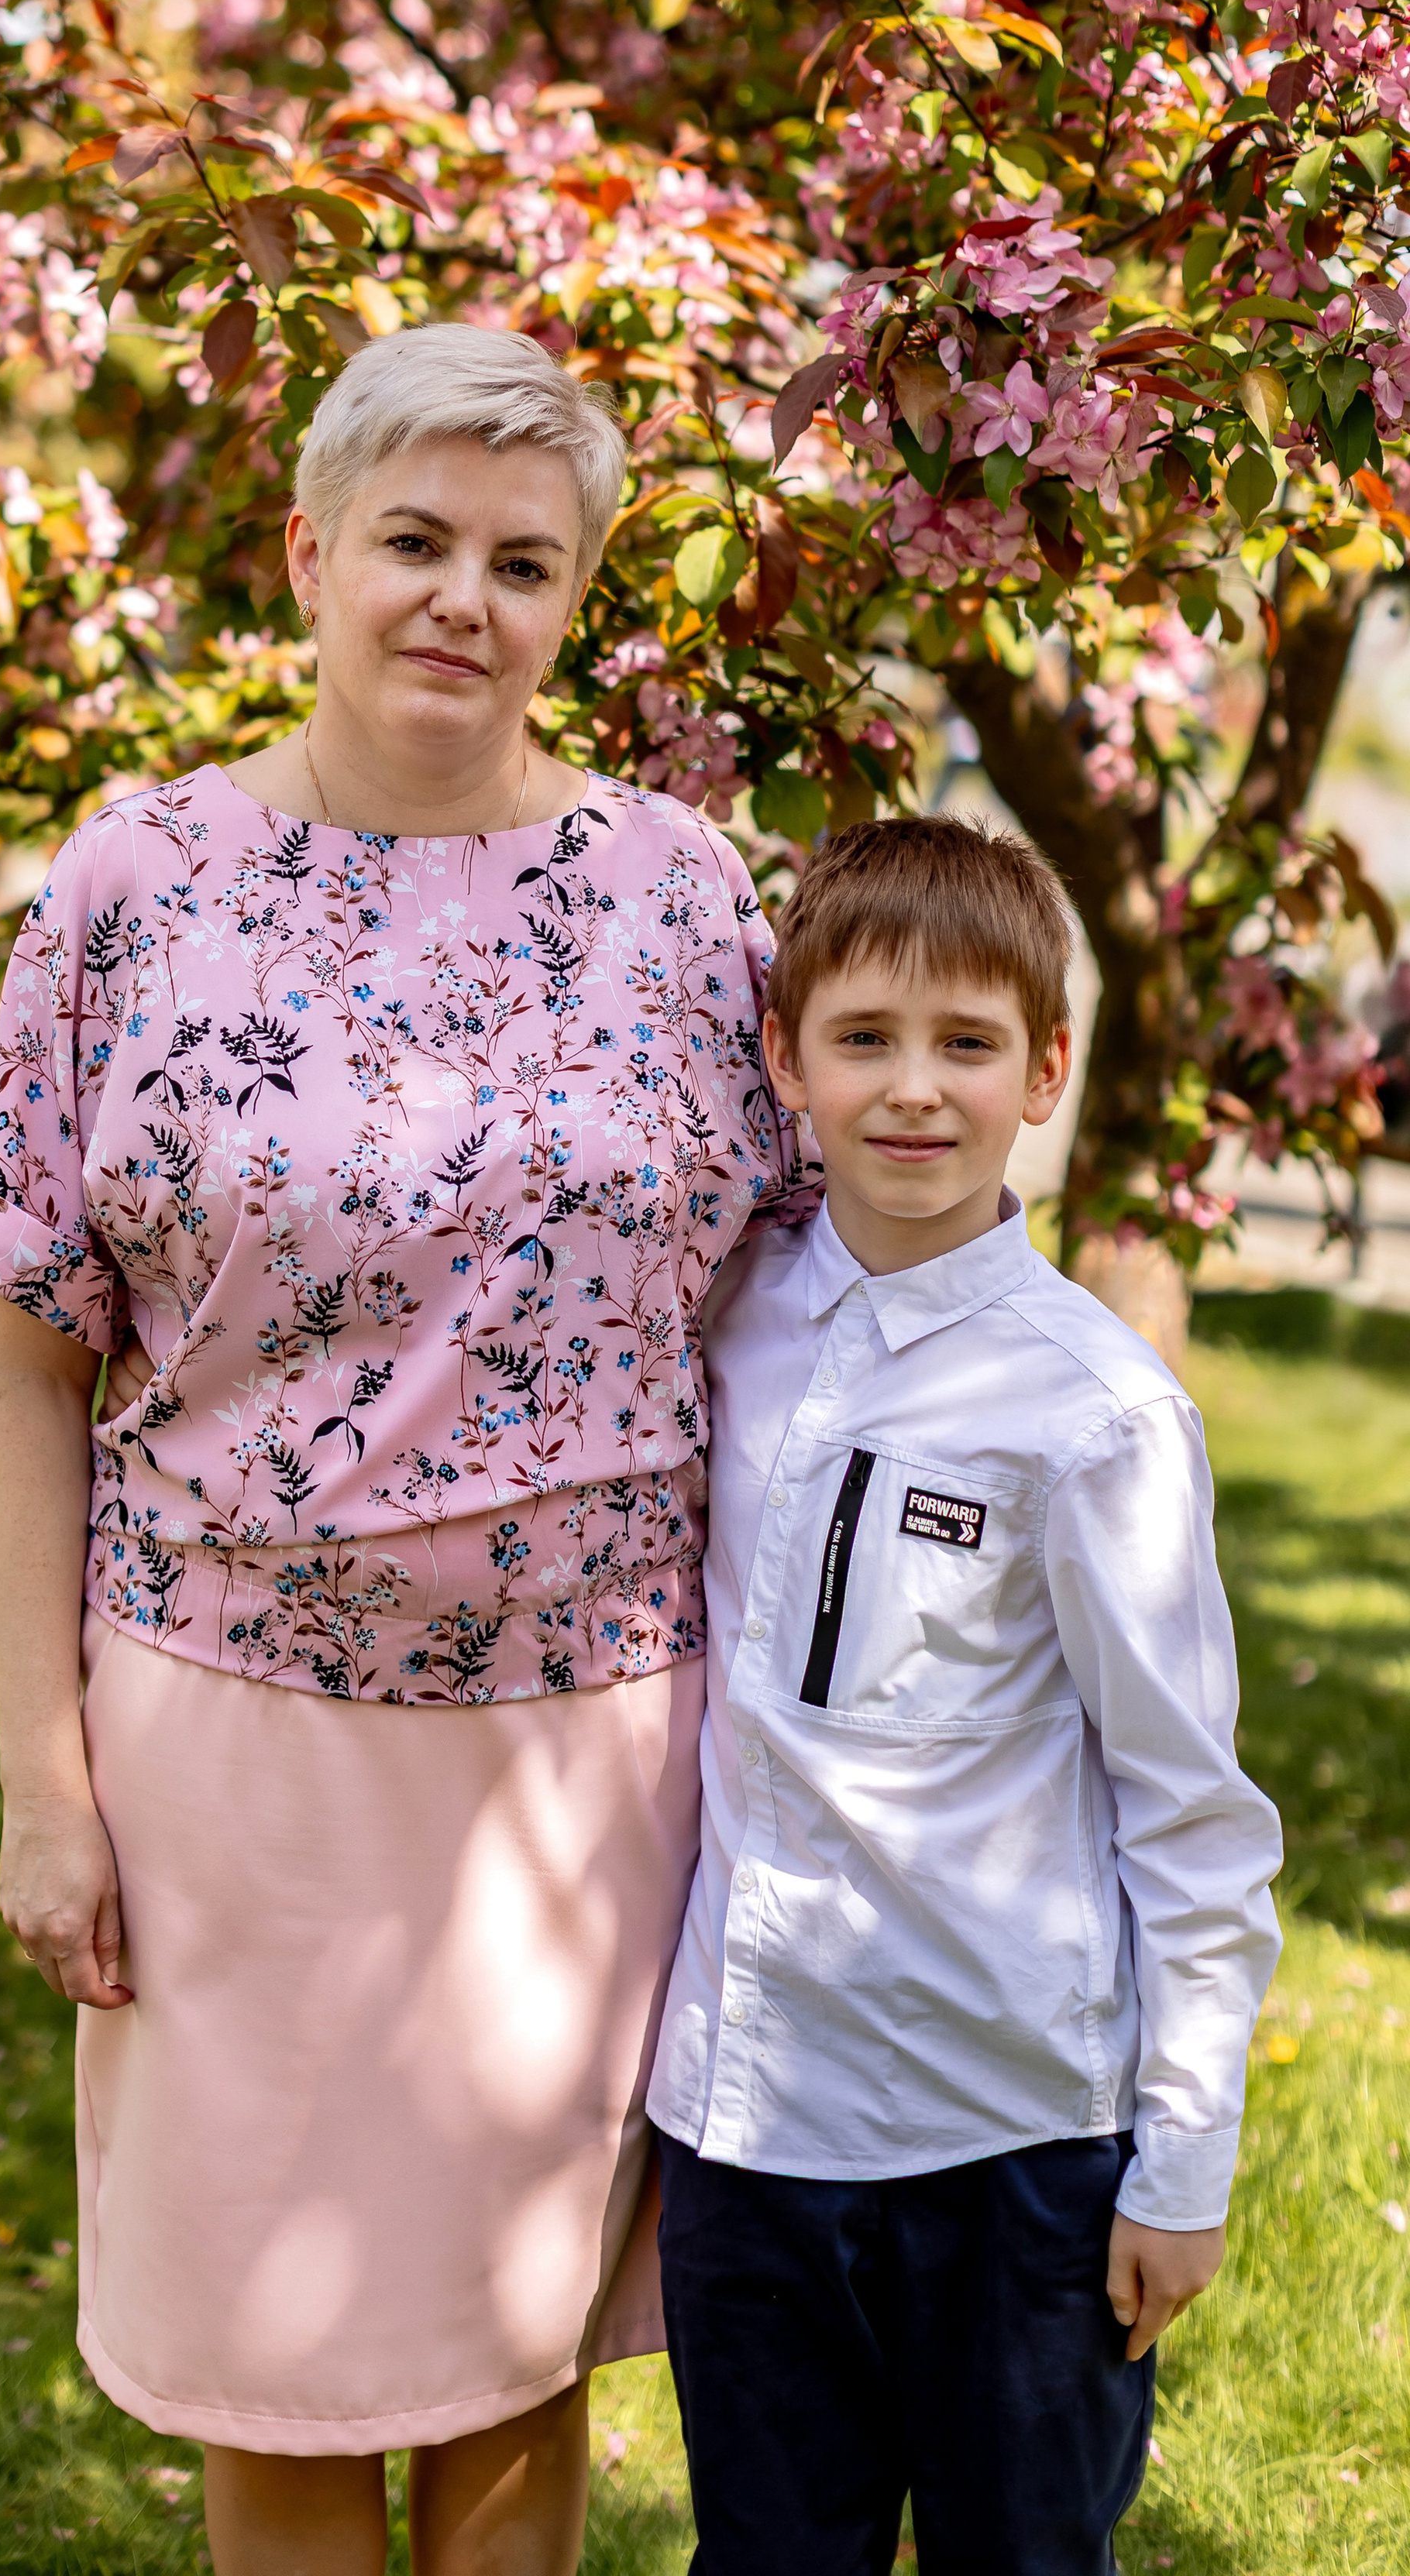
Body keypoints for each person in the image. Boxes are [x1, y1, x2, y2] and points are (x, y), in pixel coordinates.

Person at [0, 324, 815, 2576]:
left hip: (580, 1757)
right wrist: (45, 1781)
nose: (459, 603)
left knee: (514, 2349)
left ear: (574, 601)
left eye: (522, 563)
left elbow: (793, 1301)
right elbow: (30, 1360)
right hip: (232, 1760)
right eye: (413, 542)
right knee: (277, 2362)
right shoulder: (136, 884)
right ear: (310, 555)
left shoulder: (681, 892)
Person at [648, 814, 1284, 2576]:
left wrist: (1181, 2166)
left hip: (1008, 2148)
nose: (912, 1089)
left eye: (967, 1043)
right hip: (749, 2126)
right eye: (861, 1038)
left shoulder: (1093, 1413)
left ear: (1045, 1071)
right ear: (785, 1060)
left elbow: (1190, 1815)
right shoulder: (722, 1312)